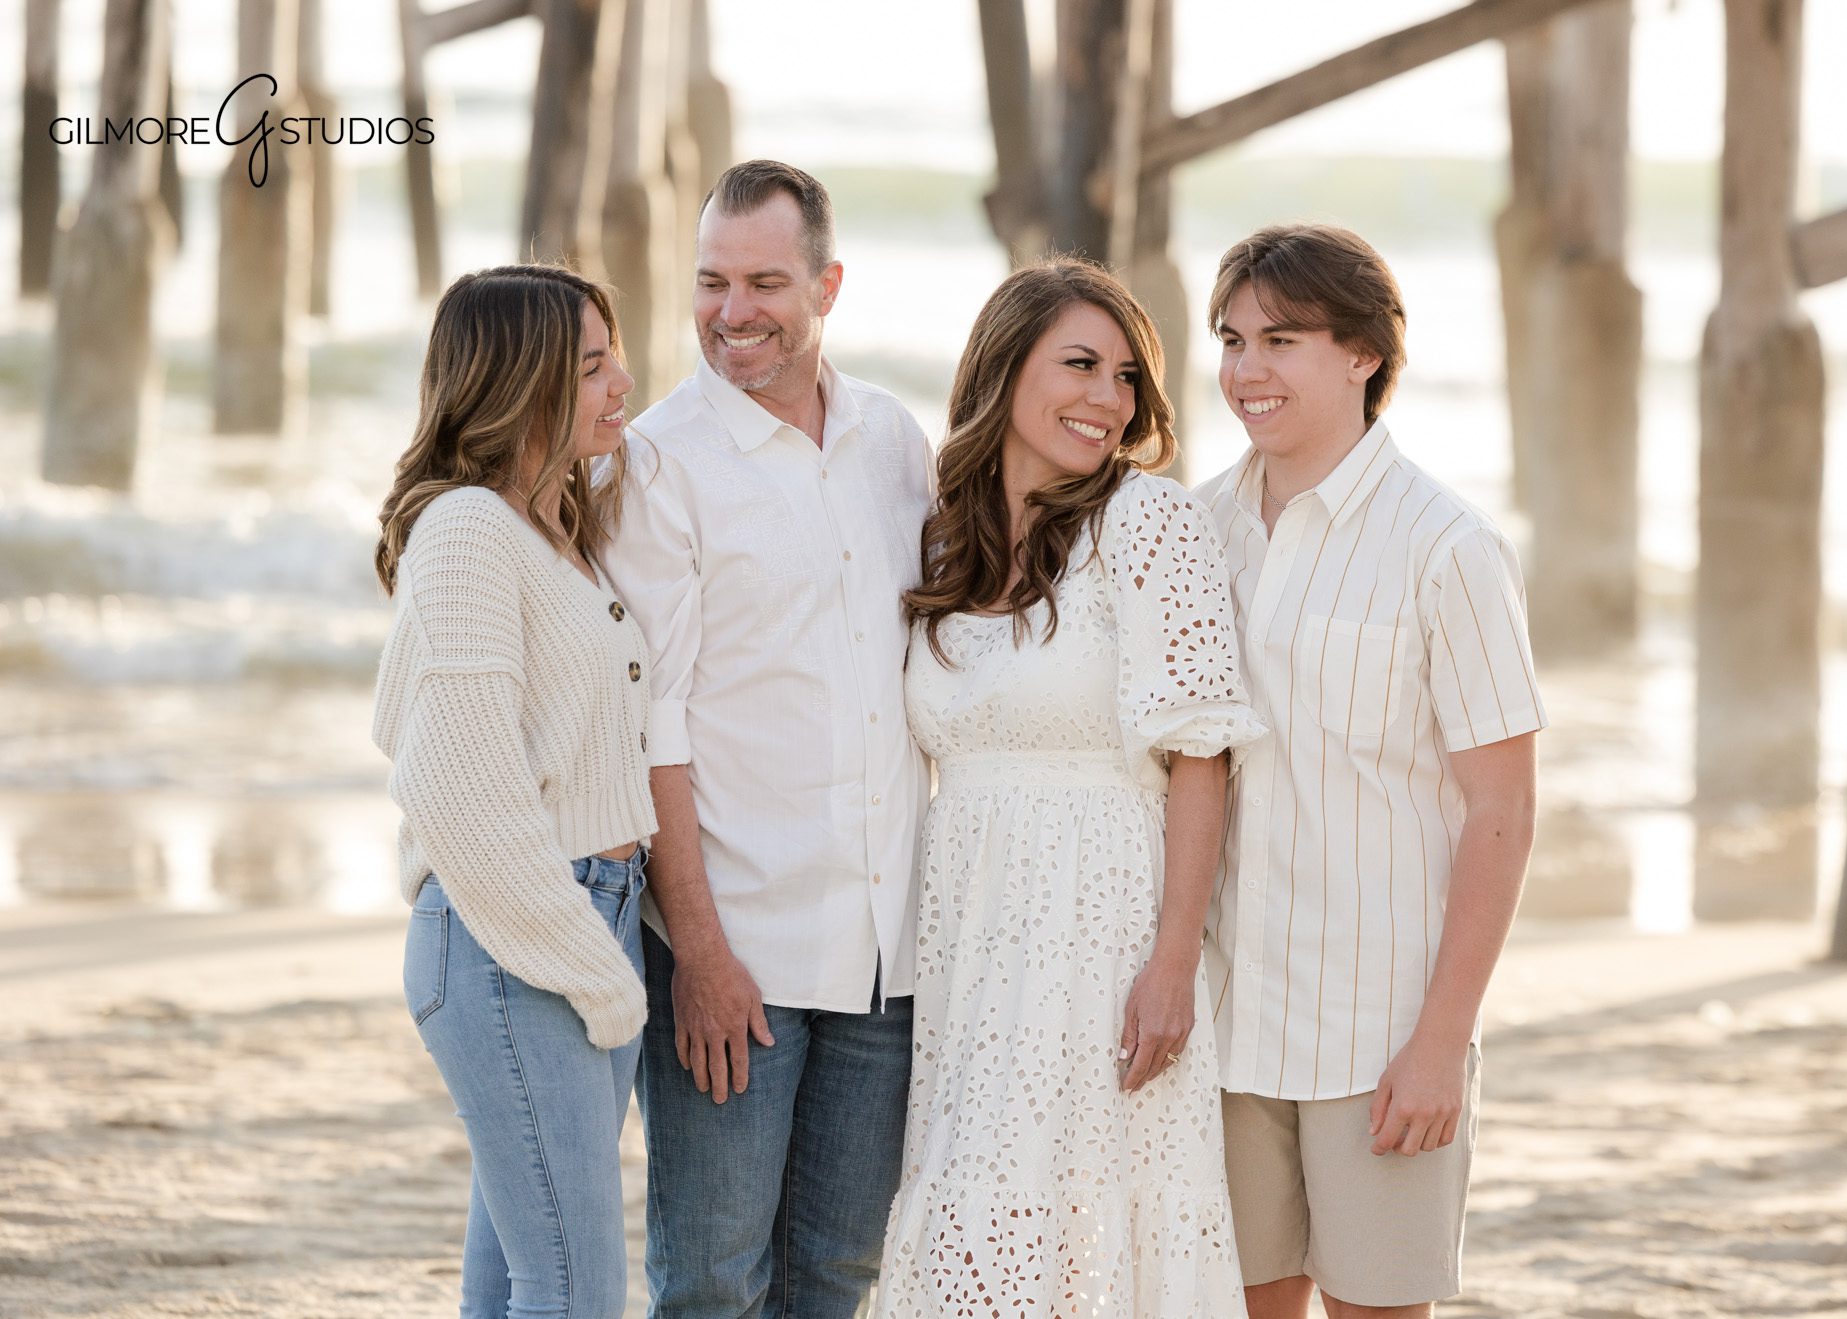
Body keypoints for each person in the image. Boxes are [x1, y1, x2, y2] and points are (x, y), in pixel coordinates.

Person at [875, 258, 1268, 1316]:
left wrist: (1173, 963)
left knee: (1093, 1221)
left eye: (1127, 376)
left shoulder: (1149, 522)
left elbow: (1201, 758)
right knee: (974, 1219)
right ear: (1003, 370)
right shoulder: (943, 536)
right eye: (1081, 365)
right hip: (970, 938)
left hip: (1101, 931)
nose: (1110, 399)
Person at [1193, 224, 1546, 1319]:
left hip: (1377, 1032)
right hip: (1224, 1024)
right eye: (1230, 339)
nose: (1245, 370)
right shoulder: (1193, 531)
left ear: (1363, 354)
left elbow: (1501, 808)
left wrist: (1441, 1041)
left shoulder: (1447, 548)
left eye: (1280, 340)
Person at [605, 160, 932, 1318]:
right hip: (734, 946)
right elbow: (650, 724)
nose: (731, 311)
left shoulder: (893, 439)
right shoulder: (655, 462)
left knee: (836, 1274)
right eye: (710, 281)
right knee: (712, 1282)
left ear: (826, 287)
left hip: (884, 953)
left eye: (763, 283)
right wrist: (697, 949)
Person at [371, 263, 655, 1319]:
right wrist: (593, 965)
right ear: (519, 380)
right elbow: (462, 791)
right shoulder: (467, 532)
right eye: (591, 366)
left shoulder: (548, 526)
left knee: (517, 1284)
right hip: (514, 939)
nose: (622, 381)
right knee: (574, 1288)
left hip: (575, 922)